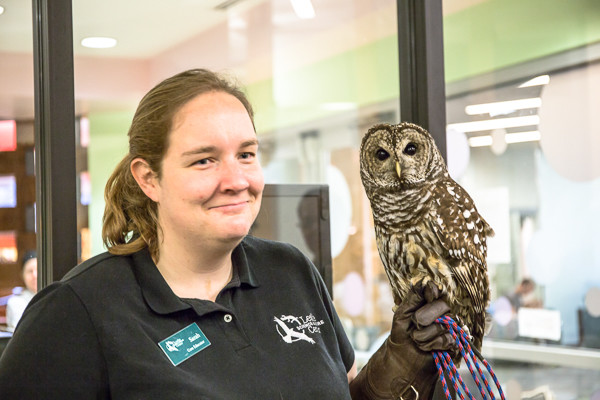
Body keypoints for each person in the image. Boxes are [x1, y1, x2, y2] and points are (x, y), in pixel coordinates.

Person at [0, 69, 454, 399]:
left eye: (247, 154)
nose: (236, 179)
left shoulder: (290, 269)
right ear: (148, 178)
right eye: (204, 160)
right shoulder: (76, 312)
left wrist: (403, 357)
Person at [5, 250, 37, 332]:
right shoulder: (15, 302)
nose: (34, 275)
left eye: (38, 270)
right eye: (30, 271)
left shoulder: (54, 296)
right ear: (22, 275)